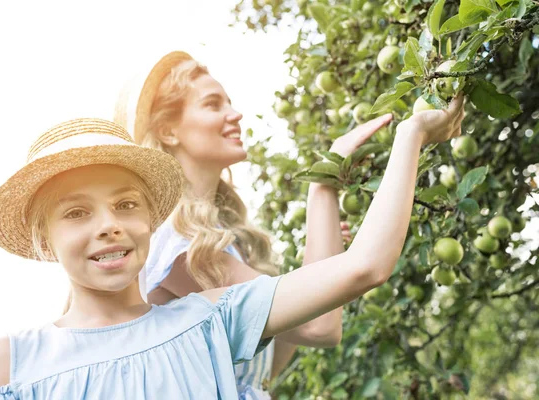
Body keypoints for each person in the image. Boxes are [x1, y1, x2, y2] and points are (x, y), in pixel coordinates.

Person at [0, 90, 464, 398]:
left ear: (151, 218)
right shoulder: (9, 364)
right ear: (42, 237)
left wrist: (410, 134)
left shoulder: (208, 319)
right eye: (76, 213)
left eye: (126, 205)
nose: (108, 225)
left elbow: (365, 267)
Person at [114, 51, 397, 398]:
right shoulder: (176, 247)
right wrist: (324, 179)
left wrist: (319, 262)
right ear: (168, 131)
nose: (235, 114)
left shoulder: (218, 243)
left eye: (229, 103)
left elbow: (264, 370)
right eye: (213, 104)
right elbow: (318, 328)